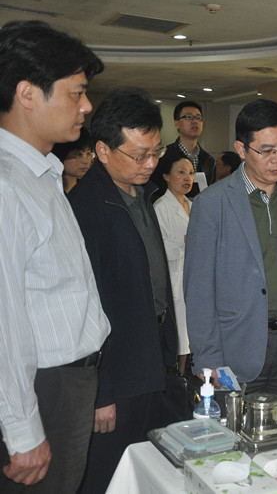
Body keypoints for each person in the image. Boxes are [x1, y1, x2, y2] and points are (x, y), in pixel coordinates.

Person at [0, 19, 110, 493]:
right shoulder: (7, 186)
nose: (86, 106)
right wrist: (23, 431)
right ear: (27, 93)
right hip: (44, 387)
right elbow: (4, 320)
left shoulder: (41, 173)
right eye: (76, 93)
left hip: (69, 382)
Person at [68, 87, 178, 493]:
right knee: (110, 478)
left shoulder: (140, 193)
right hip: (117, 374)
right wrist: (102, 391)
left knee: (149, 473)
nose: (151, 164)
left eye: (156, 152)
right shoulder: (87, 207)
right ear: (102, 150)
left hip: (150, 360)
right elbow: (83, 307)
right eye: (139, 155)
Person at [184, 99, 277, 411]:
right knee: (235, 436)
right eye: (267, 150)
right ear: (241, 149)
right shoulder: (212, 204)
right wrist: (207, 357)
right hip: (235, 346)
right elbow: (198, 289)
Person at [154, 153, 195, 374]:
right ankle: (177, 377)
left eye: (191, 173)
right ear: (166, 176)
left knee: (189, 331)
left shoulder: (193, 205)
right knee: (178, 331)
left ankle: (186, 375)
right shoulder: (161, 207)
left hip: (192, 278)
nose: (187, 178)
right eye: (181, 172)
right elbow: (158, 248)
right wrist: (185, 243)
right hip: (173, 276)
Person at [153, 100, 215, 196]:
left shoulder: (209, 160)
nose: (195, 121)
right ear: (176, 124)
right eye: (188, 117)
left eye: (198, 118)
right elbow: (155, 190)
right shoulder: (163, 156)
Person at [51, 127, 95, 193]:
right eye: (79, 154)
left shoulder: (91, 190)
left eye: (88, 154)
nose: (86, 161)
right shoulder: (49, 189)